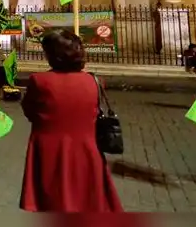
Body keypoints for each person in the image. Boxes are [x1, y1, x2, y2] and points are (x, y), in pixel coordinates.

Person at [20, 30, 123, 212]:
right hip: (86, 150)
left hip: (48, 151)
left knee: (53, 203)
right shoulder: (94, 81)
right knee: (88, 202)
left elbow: (29, 111)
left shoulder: (39, 81)